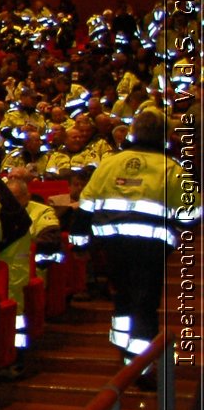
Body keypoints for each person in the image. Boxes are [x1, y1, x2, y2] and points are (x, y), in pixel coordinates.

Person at [71, 109, 198, 365]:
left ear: (133, 132)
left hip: (113, 246)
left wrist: (80, 245)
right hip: (152, 249)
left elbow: (85, 206)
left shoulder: (109, 163)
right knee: (145, 303)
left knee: (123, 299)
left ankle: (123, 351)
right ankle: (140, 365)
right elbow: (191, 215)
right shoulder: (171, 169)